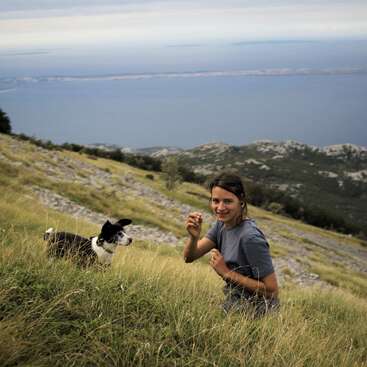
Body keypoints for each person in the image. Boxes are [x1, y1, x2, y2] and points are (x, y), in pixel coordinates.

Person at [184, 172, 279, 317]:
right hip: (235, 302)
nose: (220, 207)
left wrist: (227, 273)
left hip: (258, 312)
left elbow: (272, 291)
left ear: (241, 201)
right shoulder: (221, 225)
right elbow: (189, 257)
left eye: (227, 201)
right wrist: (193, 237)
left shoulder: (250, 238)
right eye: (216, 201)